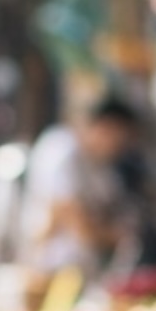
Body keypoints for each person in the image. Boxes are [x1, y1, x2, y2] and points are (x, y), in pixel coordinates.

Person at [20, 95, 138, 295]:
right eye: (119, 138)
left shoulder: (100, 166)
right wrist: (111, 236)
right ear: (106, 127)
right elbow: (72, 219)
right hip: (52, 273)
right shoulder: (62, 149)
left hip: (82, 273)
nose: (119, 147)